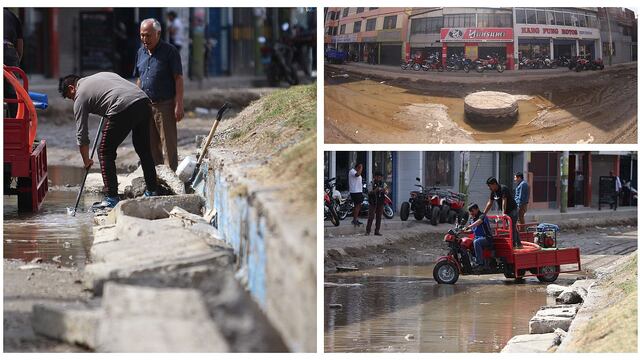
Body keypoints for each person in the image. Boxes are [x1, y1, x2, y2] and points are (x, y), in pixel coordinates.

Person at [59, 72, 158, 209]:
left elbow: (82, 135)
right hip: (143, 101)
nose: (73, 100)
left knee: (105, 152)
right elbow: (114, 91)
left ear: (71, 88)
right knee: (143, 149)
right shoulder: (102, 75)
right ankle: (152, 191)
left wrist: (86, 160)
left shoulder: (80, 96)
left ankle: (111, 198)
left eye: (71, 97)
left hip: (123, 106)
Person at [134, 18, 184, 171]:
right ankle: (155, 181)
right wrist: (136, 102)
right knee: (150, 145)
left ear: (158, 33)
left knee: (168, 144)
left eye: (148, 35)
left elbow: (178, 78)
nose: (144, 39)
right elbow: (139, 78)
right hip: (145, 105)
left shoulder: (170, 52)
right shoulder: (140, 52)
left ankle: (172, 178)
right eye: (142, 35)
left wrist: (179, 105)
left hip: (165, 105)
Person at [484, 177, 522, 248]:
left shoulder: (503, 188)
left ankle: (513, 245)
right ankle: (519, 244)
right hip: (506, 212)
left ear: (494, 184)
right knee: (512, 227)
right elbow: (490, 203)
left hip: (512, 210)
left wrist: (503, 213)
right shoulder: (493, 192)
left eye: (490, 186)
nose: (489, 188)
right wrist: (483, 214)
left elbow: (504, 200)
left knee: (512, 227)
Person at [4, 9, 24, 117]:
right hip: (9, 50)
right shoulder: (13, 17)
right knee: (13, 93)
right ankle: (15, 124)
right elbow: (20, 45)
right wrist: (16, 63)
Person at [464, 203, 493, 270]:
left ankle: (480, 264)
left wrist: (469, 226)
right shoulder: (472, 219)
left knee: (477, 242)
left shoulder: (482, 216)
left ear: (477, 209)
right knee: (466, 243)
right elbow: (472, 231)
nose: (471, 213)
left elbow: (479, 222)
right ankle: (470, 262)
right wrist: (462, 232)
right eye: (470, 211)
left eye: (472, 211)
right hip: (477, 238)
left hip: (487, 238)